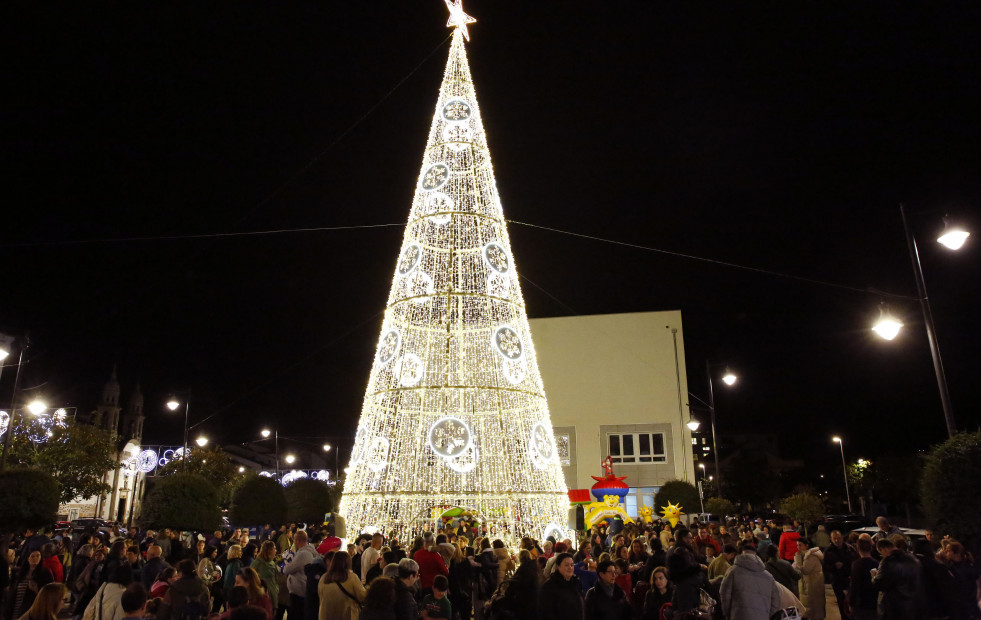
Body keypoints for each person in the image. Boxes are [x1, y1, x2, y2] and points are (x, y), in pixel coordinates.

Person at [718, 540, 782, 620]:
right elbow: (776, 602)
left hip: (738, 616)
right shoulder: (768, 576)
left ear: (741, 553)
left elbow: (724, 594)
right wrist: (767, 615)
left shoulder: (732, 571)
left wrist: (728, 613)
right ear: (755, 555)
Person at [871, 538, 920, 620]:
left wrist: (874, 576)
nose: (883, 556)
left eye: (881, 553)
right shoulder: (912, 559)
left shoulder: (887, 561)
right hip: (911, 606)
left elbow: (879, 584)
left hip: (893, 608)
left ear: (884, 549)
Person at [665, 528, 705, 617]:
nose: (692, 540)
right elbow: (684, 570)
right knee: (686, 614)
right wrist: (698, 567)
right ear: (684, 538)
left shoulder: (677, 550)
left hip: (683, 589)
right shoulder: (680, 551)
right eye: (690, 538)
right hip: (685, 590)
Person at [318, 551, 366, 620]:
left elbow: (321, 596)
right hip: (346, 615)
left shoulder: (324, 578)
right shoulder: (352, 577)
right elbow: (362, 597)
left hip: (326, 615)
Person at [9, 551, 55, 620]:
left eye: (38, 556)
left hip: (32, 610)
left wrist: (36, 590)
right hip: (16, 608)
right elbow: (13, 591)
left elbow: (49, 593)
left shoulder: (45, 573)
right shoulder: (21, 572)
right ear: (28, 558)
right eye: (32, 556)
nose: (35, 558)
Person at [821, 529, 856, 620]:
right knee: (841, 603)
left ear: (842, 538)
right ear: (831, 539)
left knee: (852, 602)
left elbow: (855, 561)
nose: (837, 540)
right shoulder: (828, 551)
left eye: (838, 538)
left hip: (850, 580)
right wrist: (834, 566)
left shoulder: (849, 548)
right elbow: (824, 567)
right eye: (834, 538)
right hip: (837, 581)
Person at [285, 531, 318, 620]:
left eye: (294, 540)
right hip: (300, 591)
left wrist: (285, 565)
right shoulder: (304, 552)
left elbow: (288, 569)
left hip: (299, 593)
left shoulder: (303, 554)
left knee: (296, 615)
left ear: (298, 541)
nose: (293, 542)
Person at [540, 553, 583, 620]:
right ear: (558, 567)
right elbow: (546, 612)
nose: (570, 568)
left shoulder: (575, 583)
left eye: (572, 565)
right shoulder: (549, 587)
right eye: (566, 565)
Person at [793, 538, 825, 620]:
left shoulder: (811, 556)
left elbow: (805, 570)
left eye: (800, 545)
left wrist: (797, 559)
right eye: (797, 545)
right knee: (809, 605)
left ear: (806, 545)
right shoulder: (805, 555)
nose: (798, 547)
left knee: (813, 606)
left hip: (812, 584)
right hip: (809, 584)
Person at [251, 541, 280, 618]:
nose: (276, 550)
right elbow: (250, 576)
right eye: (274, 548)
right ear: (269, 550)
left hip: (273, 595)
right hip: (263, 596)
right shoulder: (258, 562)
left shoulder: (272, 562)